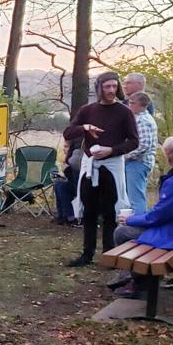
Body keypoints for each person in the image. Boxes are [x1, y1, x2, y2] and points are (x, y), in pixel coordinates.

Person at [110, 136, 173, 297]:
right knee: (129, 228)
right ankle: (132, 276)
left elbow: (157, 217)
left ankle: (139, 282)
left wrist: (129, 219)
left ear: (169, 154)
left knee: (122, 232)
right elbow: (163, 212)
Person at [63, 72, 139, 267]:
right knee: (89, 210)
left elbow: (134, 141)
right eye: (107, 87)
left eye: (114, 86)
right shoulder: (88, 110)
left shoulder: (124, 112)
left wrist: (111, 150)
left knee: (109, 211)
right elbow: (69, 132)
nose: (111, 91)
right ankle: (87, 253)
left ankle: (109, 253)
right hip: (91, 166)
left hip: (112, 166)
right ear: (99, 88)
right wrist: (85, 128)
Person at [125, 92, 158, 215]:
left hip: (138, 163)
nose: (130, 105)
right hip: (137, 162)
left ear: (142, 105)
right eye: (129, 102)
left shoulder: (142, 120)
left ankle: (137, 226)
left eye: (132, 103)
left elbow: (144, 145)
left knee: (136, 197)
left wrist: (125, 156)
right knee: (133, 195)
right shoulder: (139, 118)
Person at [53, 136, 84, 225]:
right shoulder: (69, 159)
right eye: (64, 146)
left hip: (82, 189)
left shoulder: (76, 159)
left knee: (61, 185)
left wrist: (66, 168)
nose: (63, 149)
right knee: (59, 184)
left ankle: (73, 217)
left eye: (66, 147)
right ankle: (64, 216)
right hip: (74, 186)